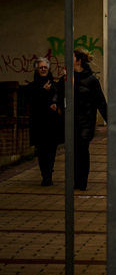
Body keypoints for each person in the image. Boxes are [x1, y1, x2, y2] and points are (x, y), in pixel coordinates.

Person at [62, 48, 107, 191]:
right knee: (73, 151)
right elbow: (58, 92)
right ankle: (76, 180)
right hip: (71, 121)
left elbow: (101, 102)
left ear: (78, 60)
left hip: (86, 121)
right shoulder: (67, 78)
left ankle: (82, 182)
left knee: (82, 149)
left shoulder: (92, 80)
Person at [25, 58, 62, 187]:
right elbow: (34, 103)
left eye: (45, 67)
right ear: (36, 69)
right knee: (41, 150)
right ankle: (44, 175)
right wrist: (44, 92)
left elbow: (59, 101)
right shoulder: (31, 87)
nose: (43, 69)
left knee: (51, 150)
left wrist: (55, 105)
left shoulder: (55, 85)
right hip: (38, 123)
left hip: (52, 124)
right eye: (41, 67)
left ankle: (48, 175)